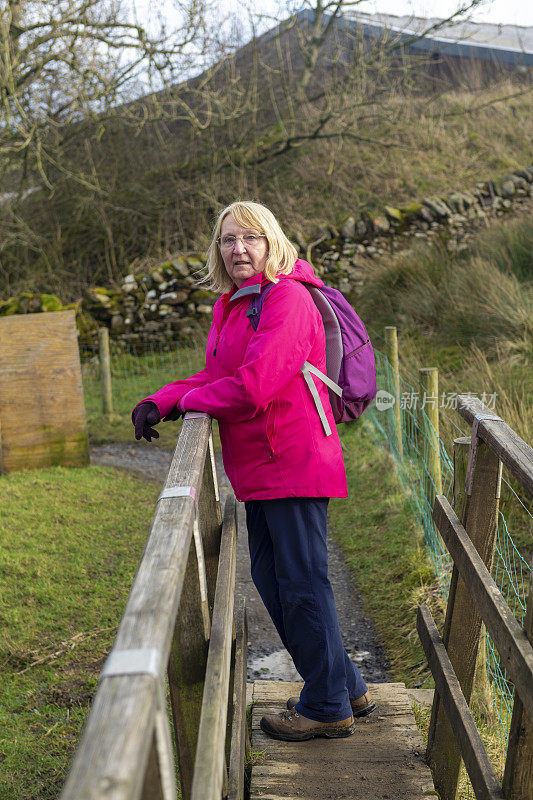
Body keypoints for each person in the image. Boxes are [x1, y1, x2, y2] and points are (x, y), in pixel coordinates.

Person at [132, 201, 375, 742]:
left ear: (271, 242)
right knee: (275, 581)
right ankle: (346, 684)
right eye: (227, 240)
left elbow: (254, 386)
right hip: (261, 468)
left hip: (292, 461)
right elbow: (217, 374)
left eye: (250, 238)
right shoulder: (234, 306)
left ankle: (328, 705)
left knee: (301, 587)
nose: (238, 249)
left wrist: (188, 400)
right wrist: (162, 400)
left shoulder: (287, 299)